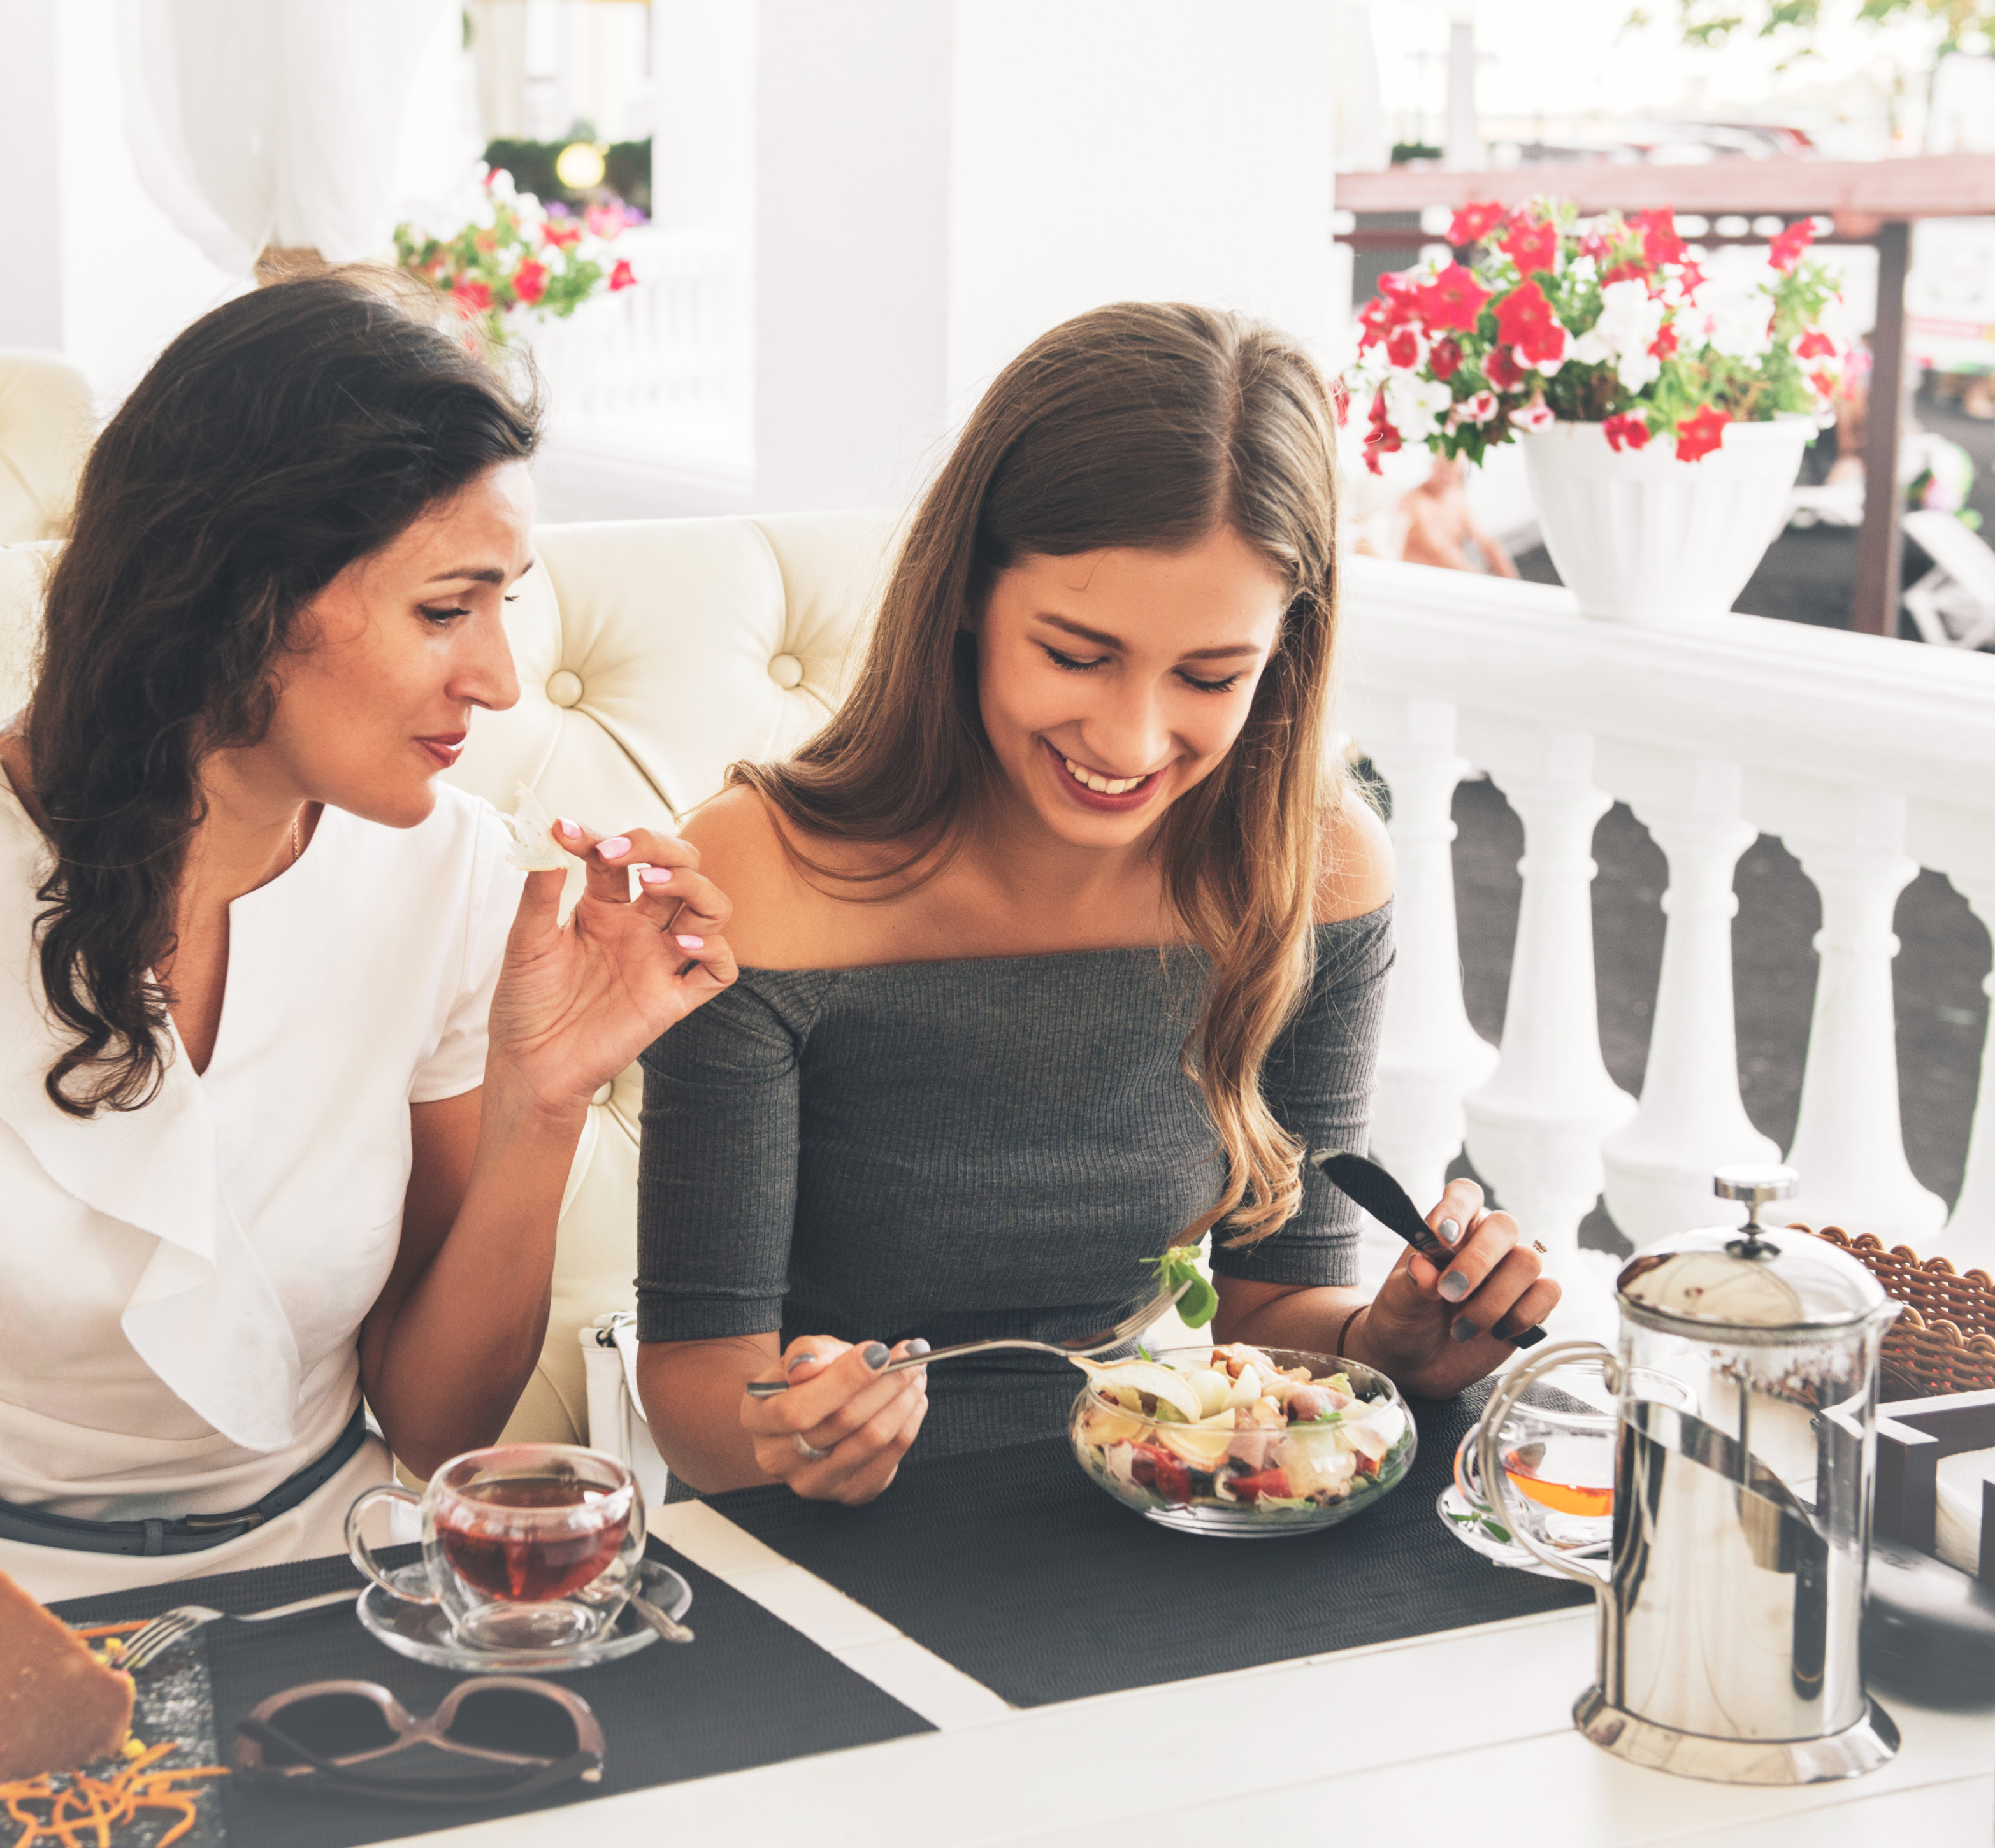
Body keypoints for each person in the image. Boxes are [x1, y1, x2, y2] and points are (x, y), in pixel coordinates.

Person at [0, 269, 737, 1785]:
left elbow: (434, 1428)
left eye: (505, 605)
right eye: (447, 609)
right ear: (241, 598)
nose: (494, 676)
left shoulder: (452, 876)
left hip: (324, 1598)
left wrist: (546, 1100)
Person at [632, 302, 1559, 1505]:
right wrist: (792, 1429)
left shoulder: (1317, 866)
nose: (1128, 739)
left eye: (1210, 675)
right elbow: (702, 1394)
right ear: (965, 593)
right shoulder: (762, 874)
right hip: (826, 1552)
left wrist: (1391, 1343)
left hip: (1151, 1502)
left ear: (1283, 650)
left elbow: (1275, 1305)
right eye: (1074, 654)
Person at [1399, 455, 1515, 575]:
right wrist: (1478, 578)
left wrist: (1512, 582)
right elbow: (1439, 551)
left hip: (1455, 576)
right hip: (1424, 579)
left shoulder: (1456, 497)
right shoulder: (1414, 501)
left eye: (1454, 473)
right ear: (1433, 466)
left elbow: (1485, 542)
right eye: (1443, 471)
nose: (1447, 478)